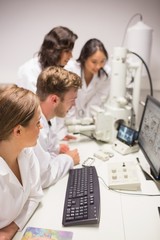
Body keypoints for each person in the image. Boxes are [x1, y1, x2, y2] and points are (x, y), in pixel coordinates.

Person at [0, 84, 43, 240]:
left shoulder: (26, 153)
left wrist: (10, 229)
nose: (42, 127)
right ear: (18, 131)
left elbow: (35, 196)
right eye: (38, 123)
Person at [33, 66, 82, 189]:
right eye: (72, 100)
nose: (74, 105)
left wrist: (56, 148)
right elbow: (43, 178)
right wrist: (69, 159)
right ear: (54, 100)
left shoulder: (47, 116)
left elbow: (46, 150)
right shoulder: (34, 127)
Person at [16, 26, 78, 93]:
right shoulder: (29, 71)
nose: (71, 56)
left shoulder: (67, 68)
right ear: (53, 50)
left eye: (71, 51)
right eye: (66, 51)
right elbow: (33, 102)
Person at [64, 38, 111, 118]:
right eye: (94, 62)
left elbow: (97, 101)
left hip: (88, 118)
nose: (98, 66)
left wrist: (87, 120)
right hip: (66, 116)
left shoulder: (106, 74)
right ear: (84, 58)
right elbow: (67, 99)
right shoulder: (71, 69)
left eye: (102, 61)